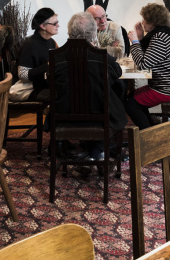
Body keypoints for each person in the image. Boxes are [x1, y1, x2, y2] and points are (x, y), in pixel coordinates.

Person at [53, 12, 135, 161]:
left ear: (70, 31)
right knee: (116, 93)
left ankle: (90, 149)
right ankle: (97, 148)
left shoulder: (56, 56)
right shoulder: (101, 57)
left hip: (64, 114)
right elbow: (117, 73)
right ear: (93, 33)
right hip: (99, 115)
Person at [126, 3, 170, 128]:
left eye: (145, 20)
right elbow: (150, 58)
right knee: (132, 96)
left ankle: (148, 135)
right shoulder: (164, 33)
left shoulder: (160, 37)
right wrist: (140, 39)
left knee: (131, 104)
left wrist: (135, 41)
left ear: (152, 23)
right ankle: (152, 129)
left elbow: (143, 64)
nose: (142, 22)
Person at [15, 7, 60, 102]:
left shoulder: (51, 42)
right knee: (59, 96)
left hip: (42, 84)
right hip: (28, 88)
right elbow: (22, 75)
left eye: (57, 22)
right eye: (54, 24)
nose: (58, 25)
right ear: (43, 26)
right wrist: (48, 65)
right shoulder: (30, 44)